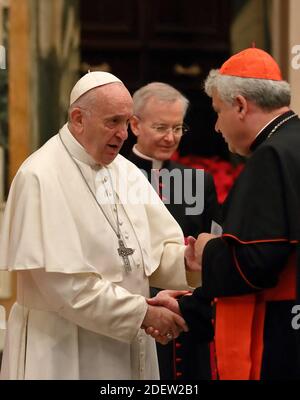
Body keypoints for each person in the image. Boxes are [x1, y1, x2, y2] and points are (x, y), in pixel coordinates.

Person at [0, 71, 203, 380]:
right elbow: (64, 288)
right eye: (113, 122)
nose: (124, 134)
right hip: (63, 349)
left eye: (127, 122)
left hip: (128, 340)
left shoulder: (126, 172)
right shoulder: (40, 176)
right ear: (79, 118)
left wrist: (185, 262)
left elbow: (154, 252)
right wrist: (144, 313)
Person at [148, 48, 300, 380]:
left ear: (241, 106)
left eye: (217, 112)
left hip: (281, 337)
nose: (216, 126)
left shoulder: (271, 157)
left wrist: (207, 250)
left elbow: (256, 264)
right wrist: (190, 307)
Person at [127, 82, 220, 379]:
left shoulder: (198, 182)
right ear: (135, 125)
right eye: (160, 127)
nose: (170, 138)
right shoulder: (112, 177)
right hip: (134, 308)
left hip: (183, 308)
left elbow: (209, 251)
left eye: (177, 128)